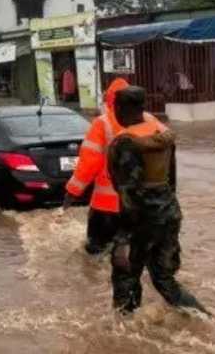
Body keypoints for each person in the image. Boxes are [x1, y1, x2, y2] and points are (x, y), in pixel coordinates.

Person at [105, 85, 206, 315]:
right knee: (164, 280)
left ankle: (125, 332)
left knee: (125, 277)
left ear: (120, 109)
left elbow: (129, 192)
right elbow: (172, 180)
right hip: (169, 213)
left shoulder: (125, 143)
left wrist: (123, 240)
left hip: (141, 220)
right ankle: (208, 321)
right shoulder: (162, 135)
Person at [63, 78, 160, 255]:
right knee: (137, 255)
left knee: (96, 255)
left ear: (110, 100)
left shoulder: (102, 123)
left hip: (106, 208)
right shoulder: (152, 121)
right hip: (142, 206)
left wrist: (72, 192)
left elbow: (89, 163)